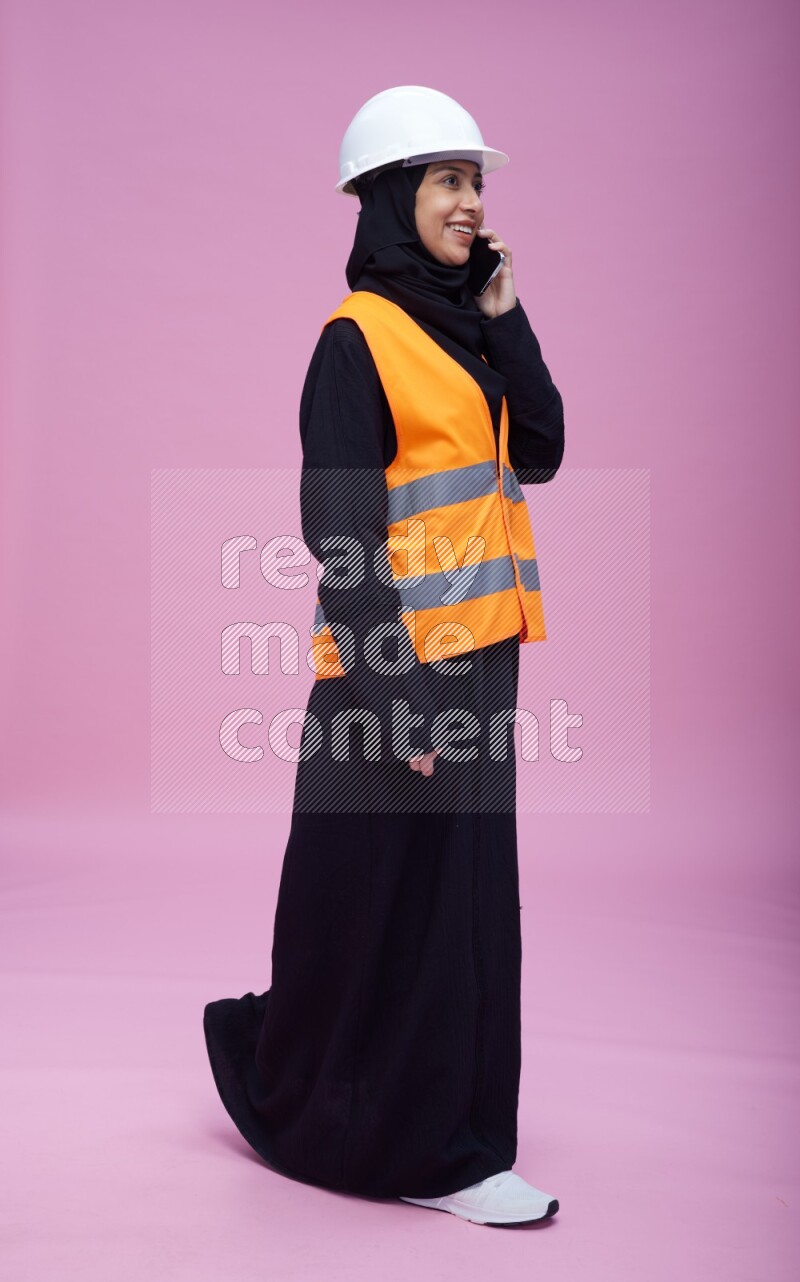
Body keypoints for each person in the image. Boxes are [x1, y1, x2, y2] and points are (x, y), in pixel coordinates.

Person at [203, 86, 565, 1228]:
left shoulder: (467, 328)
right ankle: (417, 1145)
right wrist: (398, 701)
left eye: (474, 183)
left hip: (484, 659)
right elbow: (342, 537)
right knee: (383, 902)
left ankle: (434, 1123)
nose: (467, 202)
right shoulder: (354, 342)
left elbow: (543, 450)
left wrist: (505, 317)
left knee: (453, 906)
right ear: (386, 198)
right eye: (445, 179)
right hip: (398, 669)